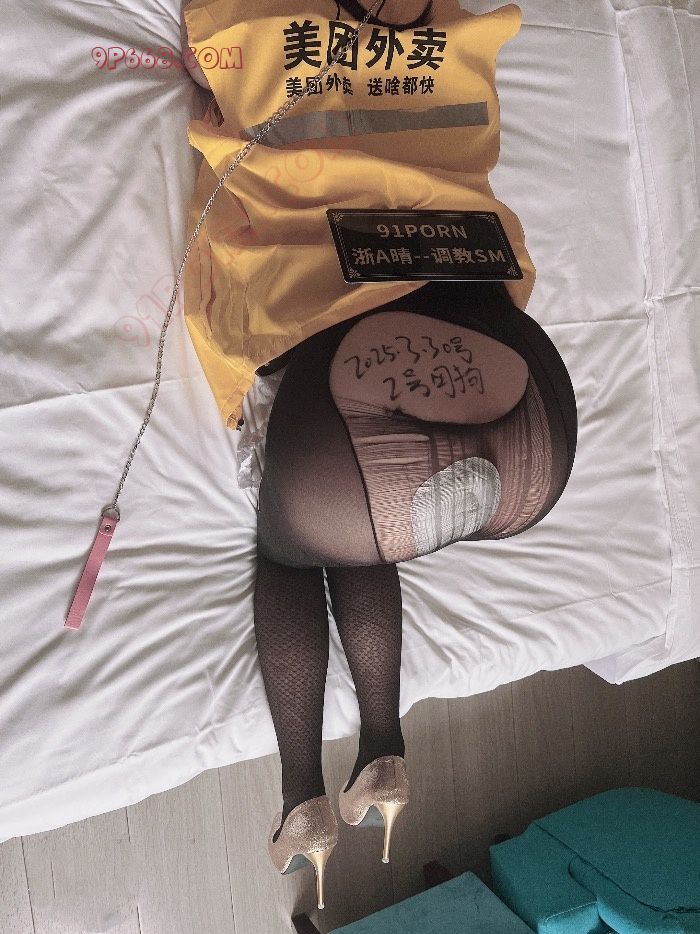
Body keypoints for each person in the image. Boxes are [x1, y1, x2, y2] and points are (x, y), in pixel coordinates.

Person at [180, 0, 577, 912]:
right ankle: (383, 755)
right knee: (364, 523)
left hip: (356, 386)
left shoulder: (253, 14)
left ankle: (302, 797)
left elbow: (210, 68)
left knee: (299, 548)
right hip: (531, 431)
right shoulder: (453, 23)